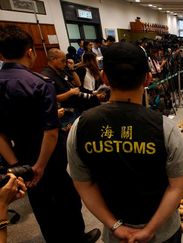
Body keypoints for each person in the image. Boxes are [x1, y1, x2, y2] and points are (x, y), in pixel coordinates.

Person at [67, 42, 183, 243]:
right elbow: (178, 186)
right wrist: (149, 230)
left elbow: (83, 184)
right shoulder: (166, 128)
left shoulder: (80, 126)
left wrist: (115, 226)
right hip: (163, 233)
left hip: (115, 235)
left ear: (105, 77)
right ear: (148, 78)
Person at [0, 25, 101, 243]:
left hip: (21, 155)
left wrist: (17, 166)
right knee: (68, 198)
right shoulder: (38, 83)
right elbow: (51, 132)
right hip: (49, 156)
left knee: (41, 204)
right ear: (30, 51)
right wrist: (40, 166)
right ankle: (77, 238)